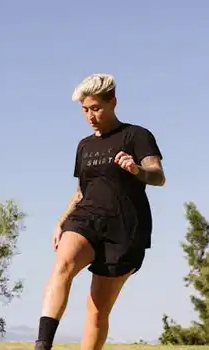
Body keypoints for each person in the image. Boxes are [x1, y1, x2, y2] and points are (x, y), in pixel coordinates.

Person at [35, 73, 166, 350]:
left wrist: (136, 169)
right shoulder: (84, 146)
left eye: (96, 108)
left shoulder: (136, 135)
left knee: (96, 312)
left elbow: (159, 176)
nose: (90, 116)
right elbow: (82, 190)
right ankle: (42, 345)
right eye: (85, 110)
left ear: (113, 103)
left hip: (124, 228)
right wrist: (61, 221)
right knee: (62, 266)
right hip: (85, 218)